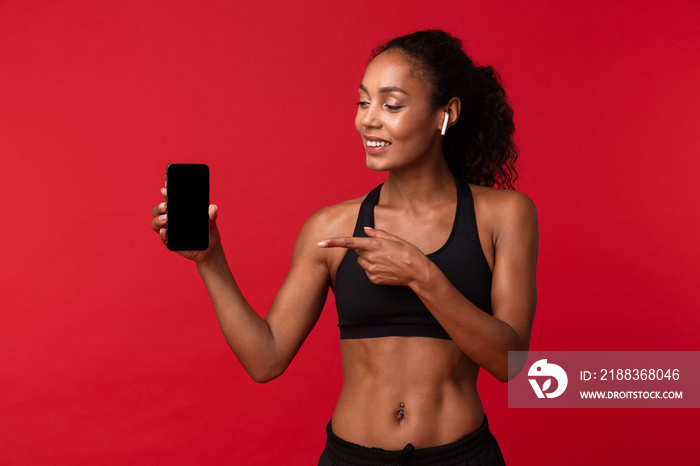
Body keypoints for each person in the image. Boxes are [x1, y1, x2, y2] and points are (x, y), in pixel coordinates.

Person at [151, 29, 537, 465]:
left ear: (445, 114)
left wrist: (422, 276)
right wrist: (210, 260)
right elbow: (266, 358)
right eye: (362, 102)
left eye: (391, 105)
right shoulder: (332, 227)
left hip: (462, 457)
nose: (368, 119)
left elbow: (512, 363)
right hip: (352, 457)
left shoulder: (504, 215)